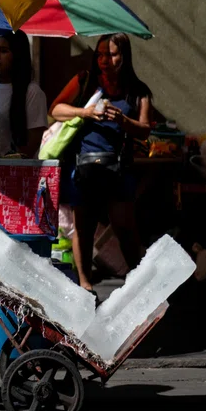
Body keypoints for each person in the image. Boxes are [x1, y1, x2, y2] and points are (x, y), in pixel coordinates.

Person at [50, 33, 152, 293]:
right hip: (84, 166)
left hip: (119, 168)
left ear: (125, 56)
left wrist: (123, 121)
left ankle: (139, 284)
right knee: (83, 227)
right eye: (100, 54)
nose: (105, 60)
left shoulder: (138, 91)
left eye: (112, 54)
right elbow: (56, 109)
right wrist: (85, 112)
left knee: (124, 227)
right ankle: (84, 286)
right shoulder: (85, 81)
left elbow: (145, 129)